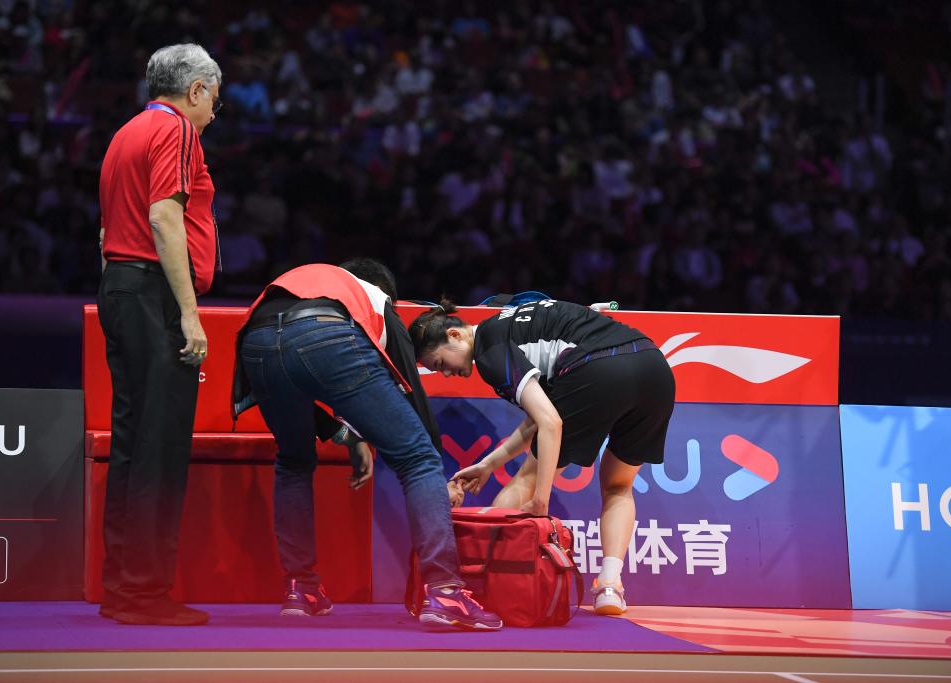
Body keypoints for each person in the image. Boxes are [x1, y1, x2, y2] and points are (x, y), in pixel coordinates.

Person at [230, 259, 502, 631]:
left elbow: (305, 380)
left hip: (255, 341)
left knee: (293, 461)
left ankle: (301, 590)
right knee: (419, 458)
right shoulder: (376, 298)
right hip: (326, 337)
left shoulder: (314, 284)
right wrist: (432, 462)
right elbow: (409, 392)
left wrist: (350, 437)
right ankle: (445, 593)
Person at [409, 298, 675, 616]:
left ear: (454, 335)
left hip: (598, 368)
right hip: (654, 368)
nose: (446, 373)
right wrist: (489, 464)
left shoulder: (489, 349)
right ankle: (609, 585)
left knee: (525, 480)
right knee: (619, 486)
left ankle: (491, 588)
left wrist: (540, 498)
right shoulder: (511, 324)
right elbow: (540, 417)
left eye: (440, 363)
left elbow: (551, 422)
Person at [96, 43, 223, 626]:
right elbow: (164, 216)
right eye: (214, 99)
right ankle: (144, 593)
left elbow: (106, 232)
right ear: (195, 90)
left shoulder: (126, 132)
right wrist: (188, 313)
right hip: (154, 296)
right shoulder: (176, 130)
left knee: (132, 444)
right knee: (160, 446)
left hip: (122, 289)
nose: (213, 113)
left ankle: (122, 586)